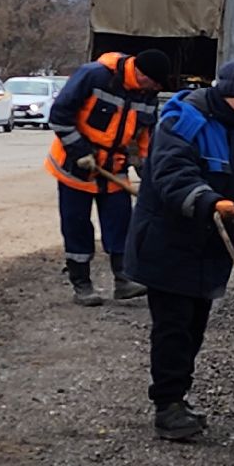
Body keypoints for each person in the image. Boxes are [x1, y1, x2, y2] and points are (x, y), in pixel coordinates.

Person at [124, 61, 234, 441]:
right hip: (168, 245)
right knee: (173, 329)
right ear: (225, 94)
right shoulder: (182, 123)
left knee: (194, 328)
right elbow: (171, 175)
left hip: (209, 250)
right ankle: (167, 408)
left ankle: (178, 397)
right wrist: (209, 201)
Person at [46, 48, 171, 306]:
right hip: (75, 167)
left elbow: (145, 139)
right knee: (77, 224)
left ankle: (124, 280)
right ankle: (82, 284)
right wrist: (80, 151)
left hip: (113, 170)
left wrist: (150, 177)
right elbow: (59, 115)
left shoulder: (148, 95)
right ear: (140, 72)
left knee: (121, 222)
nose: (156, 88)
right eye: (154, 82)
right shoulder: (95, 76)